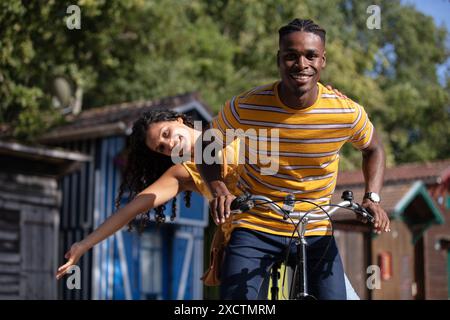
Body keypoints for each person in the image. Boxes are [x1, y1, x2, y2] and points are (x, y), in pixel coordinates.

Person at [55, 108, 361, 299]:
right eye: (161, 148)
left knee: (337, 292)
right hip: (252, 242)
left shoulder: (232, 133)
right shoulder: (183, 172)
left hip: (297, 224)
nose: (169, 144)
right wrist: (84, 244)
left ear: (178, 119)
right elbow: (132, 208)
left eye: (167, 134)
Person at [196, 18, 390, 300]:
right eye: (291, 56)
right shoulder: (246, 107)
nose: (301, 64)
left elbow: (374, 148)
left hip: (315, 227)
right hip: (255, 224)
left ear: (323, 60)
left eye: (311, 55)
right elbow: (206, 142)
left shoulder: (346, 112)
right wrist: (218, 187)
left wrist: (372, 196)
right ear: (279, 59)